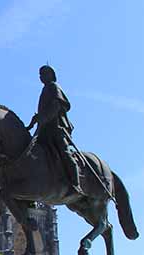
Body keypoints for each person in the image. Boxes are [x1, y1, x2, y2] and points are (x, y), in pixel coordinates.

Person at [26, 64, 82, 194]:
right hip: (44, 129)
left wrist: (43, 118)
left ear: (51, 75)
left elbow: (56, 106)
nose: (41, 77)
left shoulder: (53, 87)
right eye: (40, 75)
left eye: (44, 74)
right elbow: (43, 112)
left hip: (56, 127)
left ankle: (76, 184)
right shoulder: (45, 90)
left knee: (64, 152)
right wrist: (33, 122)